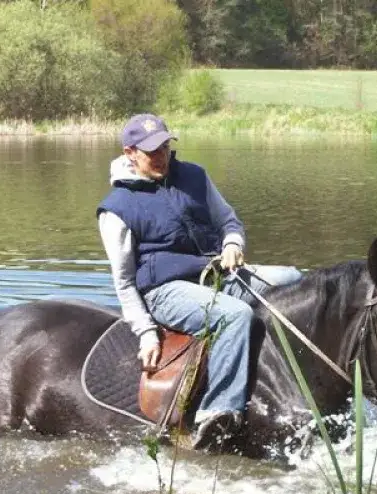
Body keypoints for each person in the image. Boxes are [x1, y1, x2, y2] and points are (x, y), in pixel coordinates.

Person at [97, 113, 302, 449]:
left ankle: (293, 379)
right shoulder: (116, 209)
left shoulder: (194, 176)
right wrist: (147, 333)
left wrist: (232, 244)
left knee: (293, 280)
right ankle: (216, 415)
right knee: (235, 315)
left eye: (164, 146)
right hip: (164, 291)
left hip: (216, 275)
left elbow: (229, 221)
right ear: (130, 152)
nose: (162, 155)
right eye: (152, 151)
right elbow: (123, 281)